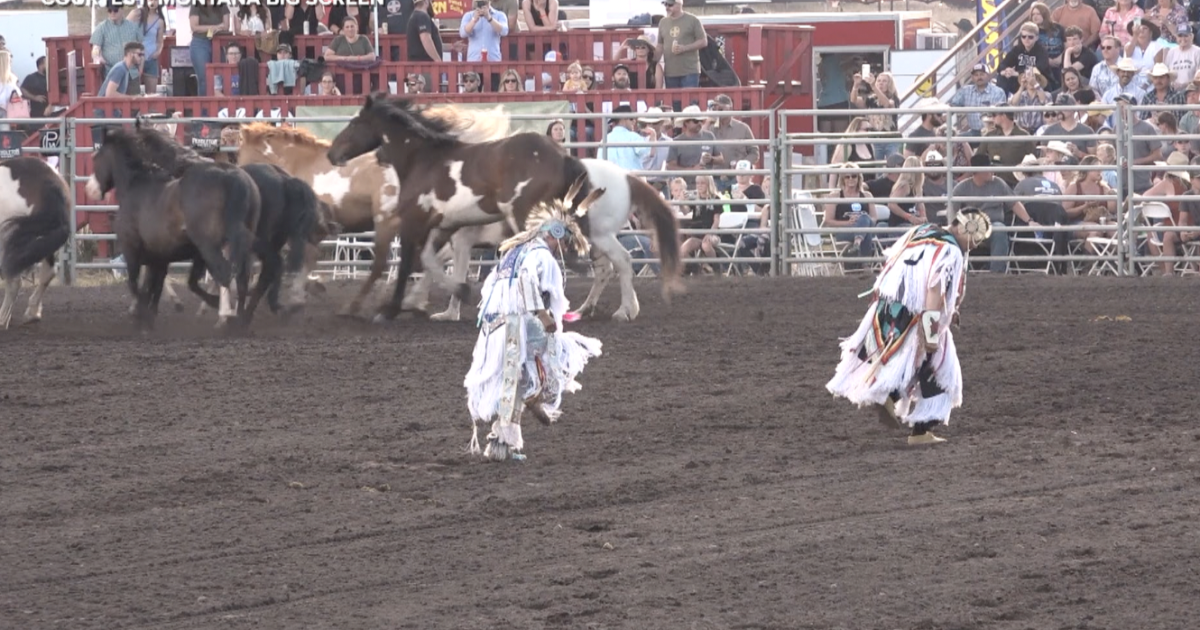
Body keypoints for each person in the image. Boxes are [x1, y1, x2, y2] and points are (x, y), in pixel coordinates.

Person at [825, 208, 994, 446]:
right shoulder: (950, 250)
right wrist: (931, 330)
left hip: (888, 308)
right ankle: (918, 428)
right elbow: (934, 289)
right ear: (963, 228)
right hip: (918, 314)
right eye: (975, 239)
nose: (976, 245)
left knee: (910, 362)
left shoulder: (921, 231)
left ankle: (892, 399)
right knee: (941, 367)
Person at [463, 188, 605, 462]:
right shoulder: (540, 255)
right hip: (518, 321)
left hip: (493, 324)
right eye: (562, 245)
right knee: (556, 354)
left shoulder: (514, 251)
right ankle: (537, 395)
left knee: (512, 378)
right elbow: (528, 280)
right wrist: (542, 314)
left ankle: (502, 444)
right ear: (555, 235)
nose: (561, 251)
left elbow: (489, 286)